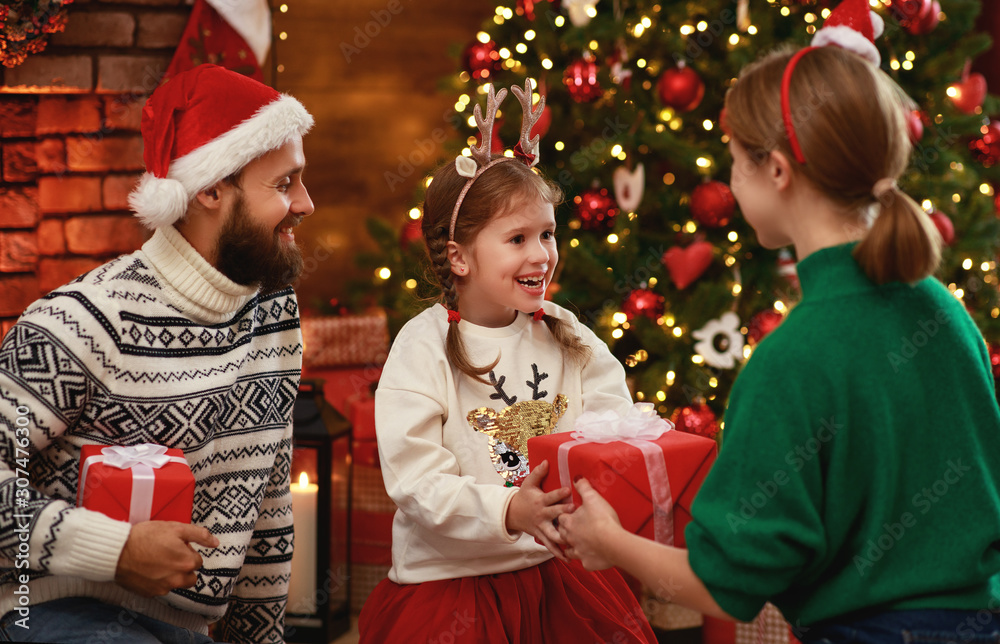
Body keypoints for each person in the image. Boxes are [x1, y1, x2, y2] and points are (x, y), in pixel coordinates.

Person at [556, 1, 1000, 642]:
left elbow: (726, 585)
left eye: (735, 161)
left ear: (778, 171)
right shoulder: (945, 312)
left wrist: (607, 541)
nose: (730, 182)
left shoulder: (790, 360)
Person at [0, 64, 315, 643]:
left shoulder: (274, 317)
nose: (306, 203)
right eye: (284, 183)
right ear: (210, 189)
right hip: (48, 609)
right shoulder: (80, 323)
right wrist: (113, 551)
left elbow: (267, 508)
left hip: (183, 630)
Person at [357, 82, 656, 643]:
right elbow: (416, 482)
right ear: (459, 256)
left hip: (558, 579)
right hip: (452, 588)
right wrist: (508, 510)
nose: (541, 254)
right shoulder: (422, 348)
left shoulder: (565, 332)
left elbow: (611, 422)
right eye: (517, 238)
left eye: (547, 233)